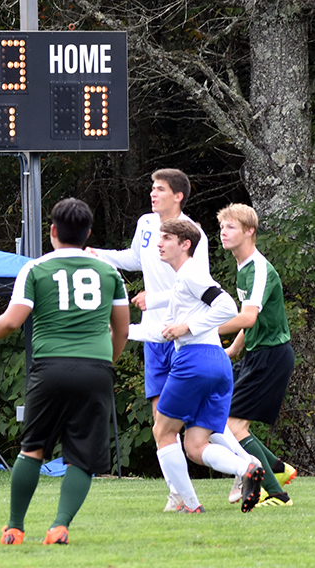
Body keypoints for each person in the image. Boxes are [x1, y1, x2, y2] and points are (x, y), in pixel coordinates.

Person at [0, 198, 130, 546]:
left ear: (52, 231)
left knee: (33, 449)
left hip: (50, 367)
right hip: (96, 368)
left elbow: (12, 321)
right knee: (81, 459)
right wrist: (106, 363)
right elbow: (122, 330)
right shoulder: (110, 273)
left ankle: (14, 527)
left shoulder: (35, 269)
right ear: (88, 234)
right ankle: (59, 526)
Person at [87, 168, 212, 511]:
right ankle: (179, 494)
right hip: (154, 336)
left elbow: (199, 285)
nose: (153, 194)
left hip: (182, 336)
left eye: (160, 189)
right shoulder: (145, 223)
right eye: (152, 188)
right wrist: (98, 254)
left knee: (198, 424)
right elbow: (133, 259)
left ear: (178, 196)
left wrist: (155, 300)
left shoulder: (193, 233)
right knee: (161, 420)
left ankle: (245, 466)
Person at [128, 219, 264, 514]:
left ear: (185, 244)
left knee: (163, 432)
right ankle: (246, 467)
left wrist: (187, 327)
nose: (159, 244)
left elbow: (227, 307)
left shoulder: (191, 273)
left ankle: (189, 505)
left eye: (166, 238)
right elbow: (164, 332)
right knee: (195, 445)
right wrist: (122, 330)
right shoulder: (182, 280)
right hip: (217, 363)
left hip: (195, 361)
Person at [218, 204, 297, 507]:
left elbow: (248, 318)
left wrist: (199, 328)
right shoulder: (242, 267)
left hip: (271, 357)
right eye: (222, 227)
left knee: (232, 426)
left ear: (250, 231)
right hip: (256, 355)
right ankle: (276, 467)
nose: (223, 232)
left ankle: (277, 494)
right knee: (224, 420)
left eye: (231, 227)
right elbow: (251, 320)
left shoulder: (259, 268)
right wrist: (233, 349)